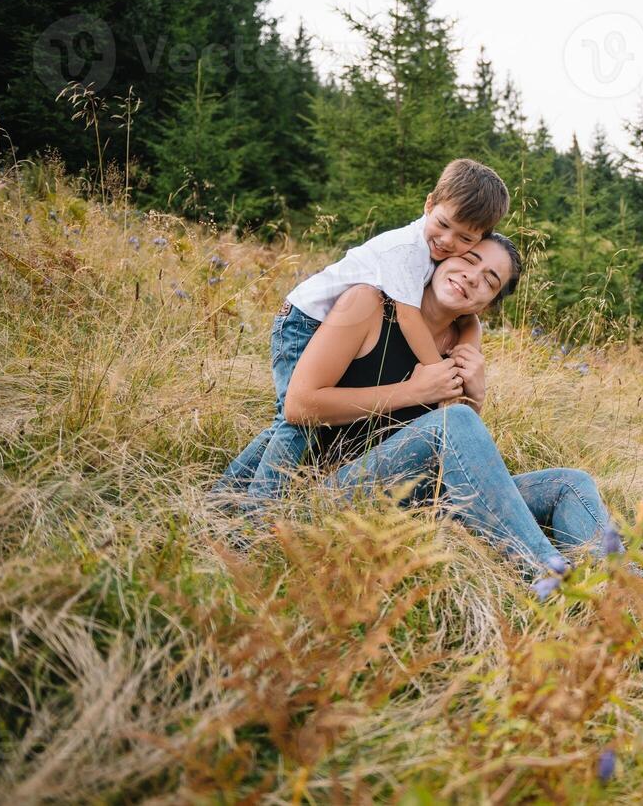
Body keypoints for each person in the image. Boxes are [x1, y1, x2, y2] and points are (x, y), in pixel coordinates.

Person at [217, 234, 615, 576]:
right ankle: (546, 577)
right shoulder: (368, 305)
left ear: (487, 305)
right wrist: (415, 391)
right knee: (454, 421)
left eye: (489, 280)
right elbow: (299, 406)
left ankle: (626, 595)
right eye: (469, 259)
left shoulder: (460, 346)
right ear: (443, 254)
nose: (471, 277)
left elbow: (450, 450)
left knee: (569, 484)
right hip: (326, 495)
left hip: (416, 500)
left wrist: (474, 399)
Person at [219, 158, 509, 504]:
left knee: (290, 423)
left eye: (464, 238)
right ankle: (256, 510)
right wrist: (437, 373)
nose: (447, 241)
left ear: (478, 238)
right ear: (429, 203)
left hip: (326, 322)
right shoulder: (407, 250)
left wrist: (468, 346)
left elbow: (468, 319)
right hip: (302, 322)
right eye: (443, 224)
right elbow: (408, 317)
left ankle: (225, 497)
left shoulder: (434, 255)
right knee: (297, 422)